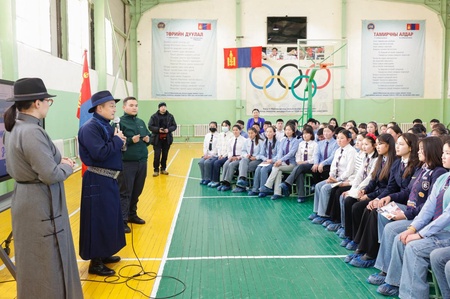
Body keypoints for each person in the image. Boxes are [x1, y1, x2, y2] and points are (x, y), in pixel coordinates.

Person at [4, 78, 82, 298]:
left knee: (33, 263)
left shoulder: (13, 128)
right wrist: (66, 166)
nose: (49, 104)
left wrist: (56, 164)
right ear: (37, 103)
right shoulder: (32, 131)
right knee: (48, 264)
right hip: (40, 203)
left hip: (25, 200)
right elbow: (50, 174)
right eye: (48, 100)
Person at [367, 137, 446, 287]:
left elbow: (429, 207)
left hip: (419, 216)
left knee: (391, 230)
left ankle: (388, 274)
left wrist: (406, 215)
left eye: (422, 149)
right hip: (411, 209)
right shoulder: (422, 168)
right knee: (382, 210)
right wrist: (389, 197)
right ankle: (385, 258)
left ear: (431, 151)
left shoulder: (438, 173)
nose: (419, 152)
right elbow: (407, 191)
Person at [346, 133, 420, 268]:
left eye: (401, 144)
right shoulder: (398, 163)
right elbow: (391, 187)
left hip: (406, 203)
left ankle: (371, 254)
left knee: (376, 212)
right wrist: (378, 199)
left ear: (410, 147)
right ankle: (363, 248)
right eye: (397, 143)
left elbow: (408, 192)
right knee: (371, 208)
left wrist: (387, 198)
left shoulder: (415, 165)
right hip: (396, 200)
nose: (397, 146)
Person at [78, 90, 127, 276]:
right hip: (98, 179)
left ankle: (105, 252)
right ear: (100, 108)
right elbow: (99, 153)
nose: (115, 109)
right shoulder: (90, 128)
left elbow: (113, 148)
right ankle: (95, 262)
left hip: (109, 178)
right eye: (111, 106)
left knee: (109, 218)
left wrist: (120, 142)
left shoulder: (105, 125)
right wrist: (116, 140)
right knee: (98, 219)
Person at [117, 96, 151, 233]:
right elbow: (117, 143)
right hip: (127, 163)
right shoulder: (119, 123)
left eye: (136, 105)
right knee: (125, 192)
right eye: (131, 105)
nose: (134, 107)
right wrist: (131, 140)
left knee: (137, 190)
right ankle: (122, 220)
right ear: (124, 107)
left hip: (142, 161)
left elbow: (148, 137)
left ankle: (132, 214)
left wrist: (148, 140)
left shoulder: (141, 122)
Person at [310, 130, 357, 224]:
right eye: (338, 138)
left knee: (325, 188)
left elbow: (349, 171)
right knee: (318, 186)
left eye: (342, 138)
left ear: (348, 139)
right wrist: (331, 176)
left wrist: (337, 180)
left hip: (344, 179)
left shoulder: (351, 151)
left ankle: (324, 215)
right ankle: (317, 212)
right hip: (334, 178)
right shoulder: (338, 150)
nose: (339, 140)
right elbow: (333, 166)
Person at [260, 122, 300, 200]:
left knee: (276, 168)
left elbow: (291, 153)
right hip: (283, 163)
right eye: (286, 130)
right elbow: (280, 152)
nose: (287, 131)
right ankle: (277, 193)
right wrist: (279, 161)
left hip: (292, 164)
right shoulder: (283, 140)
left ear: (293, 131)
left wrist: (280, 160)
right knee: (277, 170)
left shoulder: (296, 141)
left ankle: (268, 185)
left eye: (289, 130)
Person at [279, 125, 318, 202]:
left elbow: (315, 158)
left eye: (307, 134)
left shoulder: (315, 144)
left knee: (300, 167)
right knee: (299, 172)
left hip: (310, 165)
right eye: (303, 134)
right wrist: (298, 161)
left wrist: (305, 162)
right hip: (300, 165)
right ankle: (301, 196)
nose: (305, 135)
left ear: (311, 134)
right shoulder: (301, 144)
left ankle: (287, 183)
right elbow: (297, 155)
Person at [148, 102, 177, 177]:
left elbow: (174, 126)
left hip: (167, 139)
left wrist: (168, 129)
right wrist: (158, 130)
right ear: (159, 108)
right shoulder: (153, 116)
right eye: (161, 106)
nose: (163, 108)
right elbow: (150, 126)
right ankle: (156, 170)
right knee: (157, 155)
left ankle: (163, 169)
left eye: (164, 106)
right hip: (157, 139)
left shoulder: (170, 116)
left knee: (165, 155)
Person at [248, 126, 278, 196]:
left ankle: (263, 190)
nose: (268, 133)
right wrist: (266, 159)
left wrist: (271, 160)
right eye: (267, 132)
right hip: (266, 161)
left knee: (264, 170)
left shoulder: (277, 142)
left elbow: (279, 155)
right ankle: (255, 189)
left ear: (274, 133)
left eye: (270, 132)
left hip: (273, 162)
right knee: (258, 169)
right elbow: (261, 154)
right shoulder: (265, 142)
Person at [217, 125, 247, 191]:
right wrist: (230, 157)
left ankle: (227, 183)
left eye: (236, 130)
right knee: (226, 164)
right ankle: (223, 182)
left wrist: (238, 157)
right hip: (232, 157)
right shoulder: (230, 140)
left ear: (240, 131)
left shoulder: (244, 140)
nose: (235, 131)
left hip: (239, 158)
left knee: (231, 165)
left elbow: (245, 151)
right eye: (233, 130)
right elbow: (229, 150)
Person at [233, 127, 263, 192]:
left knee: (243, 167)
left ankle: (241, 186)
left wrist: (255, 157)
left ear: (255, 133)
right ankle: (242, 179)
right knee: (243, 161)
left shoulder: (260, 141)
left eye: (252, 133)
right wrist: (246, 155)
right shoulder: (247, 141)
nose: (250, 135)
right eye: (249, 133)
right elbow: (243, 151)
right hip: (248, 158)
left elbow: (262, 153)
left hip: (257, 160)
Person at [199, 121, 219, 185]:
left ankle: (208, 179)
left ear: (216, 127)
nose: (212, 127)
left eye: (213, 126)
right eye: (211, 126)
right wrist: (205, 154)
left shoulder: (219, 136)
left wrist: (211, 155)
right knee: (201, 162)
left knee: (207, 162)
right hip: (207, 154)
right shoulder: (207, 135)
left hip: (215, 155)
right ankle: (203, 178)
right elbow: (205, 146)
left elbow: (218, 147)